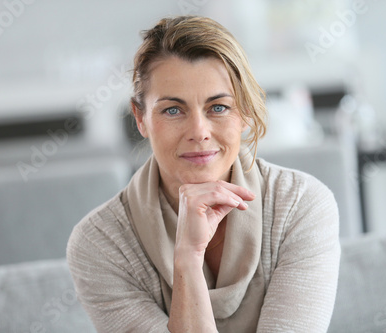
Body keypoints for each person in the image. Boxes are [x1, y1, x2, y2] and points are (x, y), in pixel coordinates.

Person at [67, 15, 340, 333]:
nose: (199, 132)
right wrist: (187, 259)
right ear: (140, 119)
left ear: (246, 113)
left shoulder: (300, 206)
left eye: (219, 107)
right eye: (172, 110)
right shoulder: (100, 245)